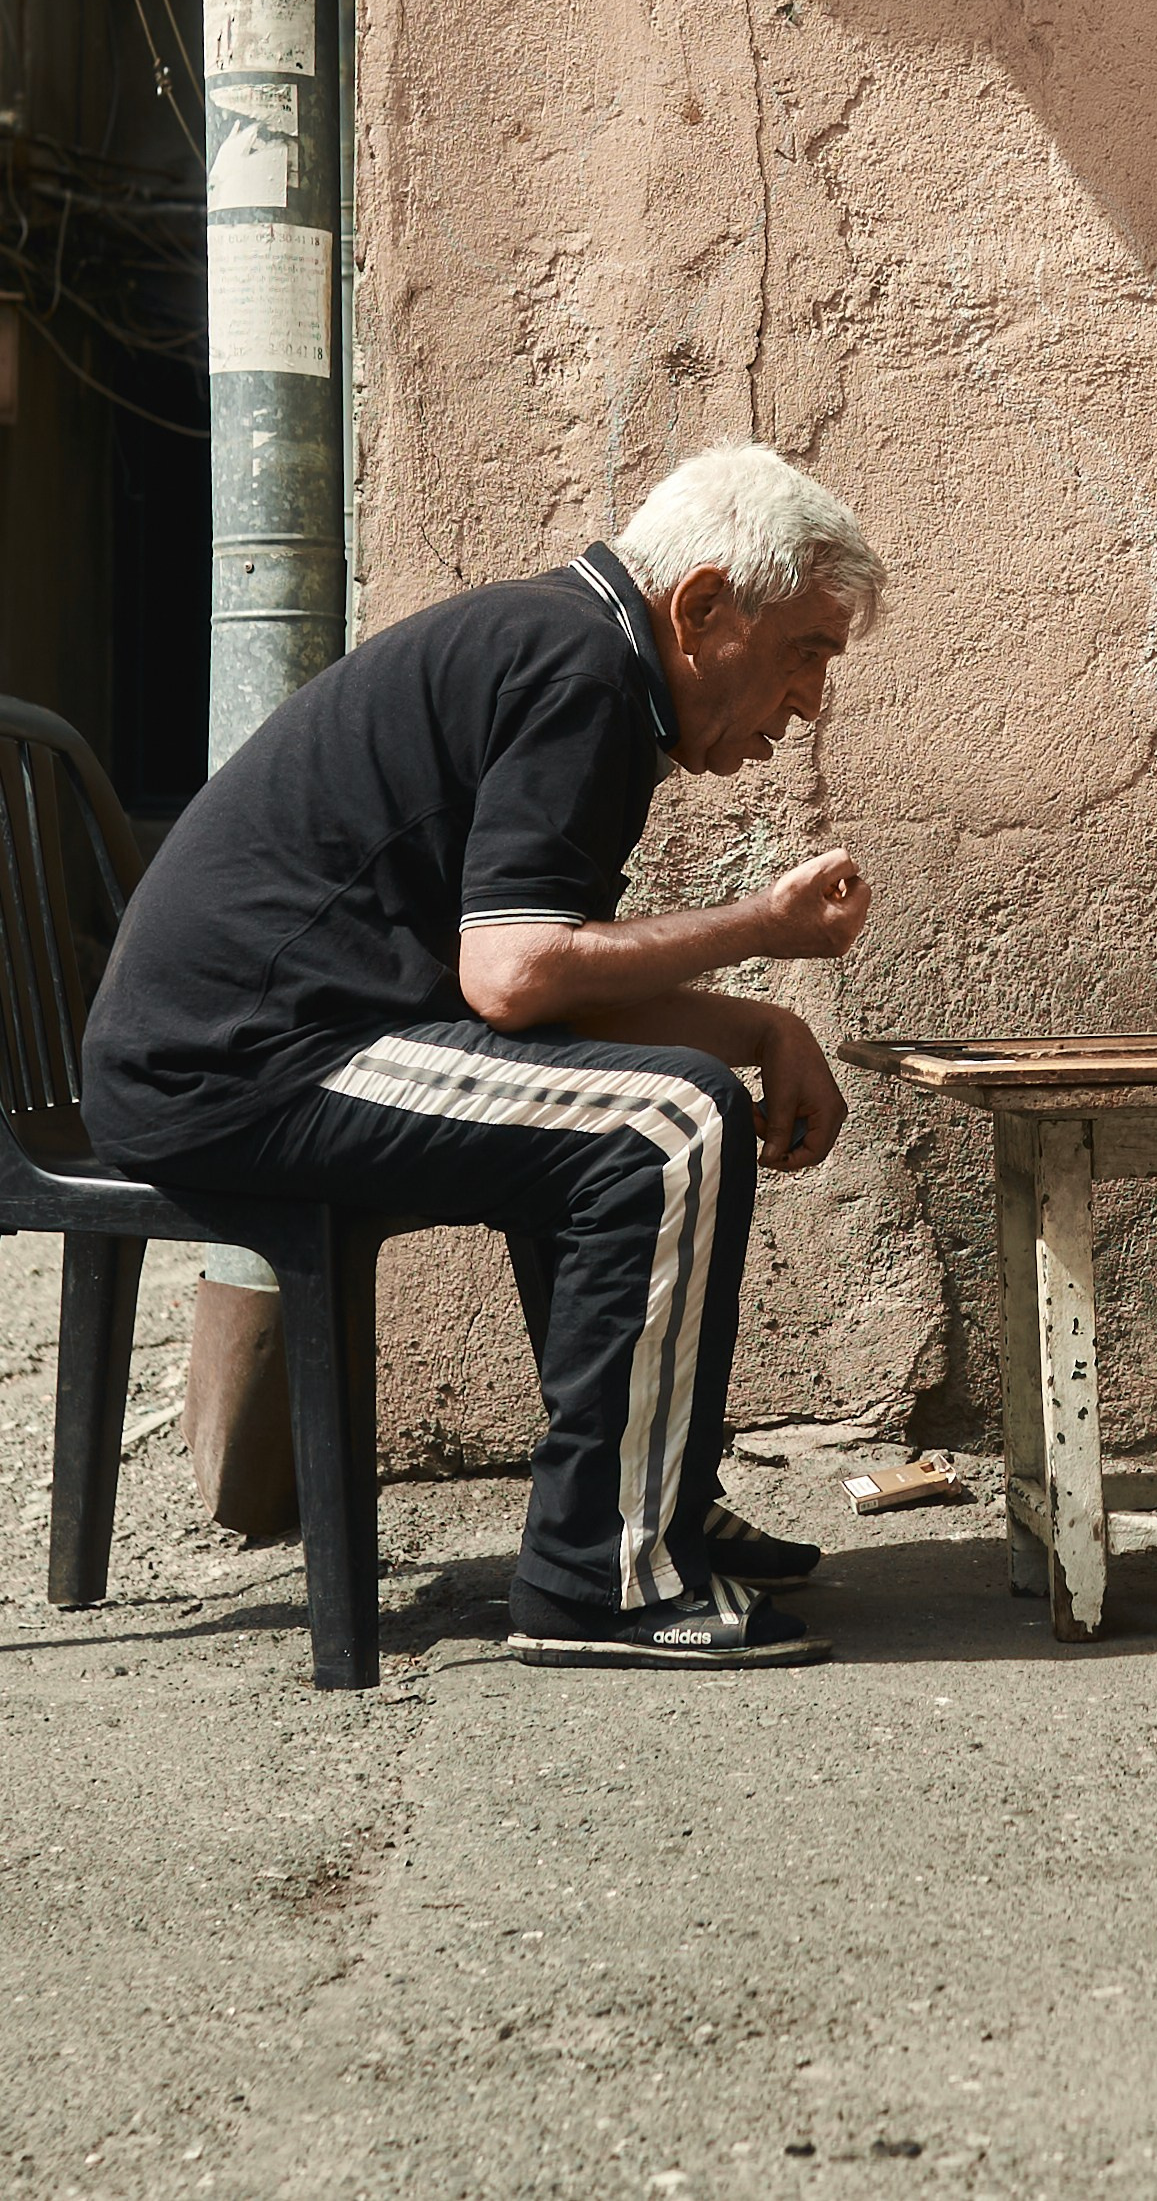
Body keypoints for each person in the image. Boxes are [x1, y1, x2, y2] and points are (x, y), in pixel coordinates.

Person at [80, 442, 886, 1672]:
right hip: (241, 1066)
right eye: (807, 652)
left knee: (648, 1107)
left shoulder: (574, 650)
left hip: (281, 1045)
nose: (811, 701)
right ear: (704, 606)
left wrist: (765, 1025)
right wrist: (769, 933)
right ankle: (598, 1578)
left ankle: (651, 1504)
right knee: (667, 1126)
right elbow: (514, 978)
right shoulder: (580, 671)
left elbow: (535, 995)